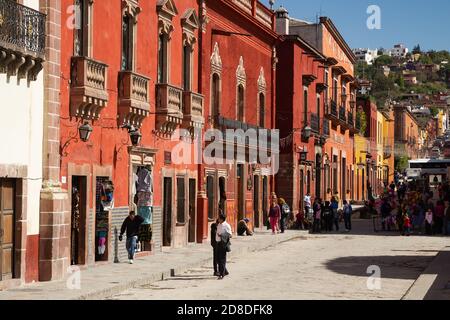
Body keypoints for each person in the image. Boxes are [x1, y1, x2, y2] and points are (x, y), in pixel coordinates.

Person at [216, 213, 232, 279]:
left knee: (222, 259)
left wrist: (222, 235)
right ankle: (224, 271)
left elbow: (230, 235)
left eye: (219, 218)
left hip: (223, 244)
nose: (218, 219)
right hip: (218, 243)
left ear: (222, 219)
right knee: (218, 259)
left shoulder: (226, 225)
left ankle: (221, 274)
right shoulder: (219, 225)